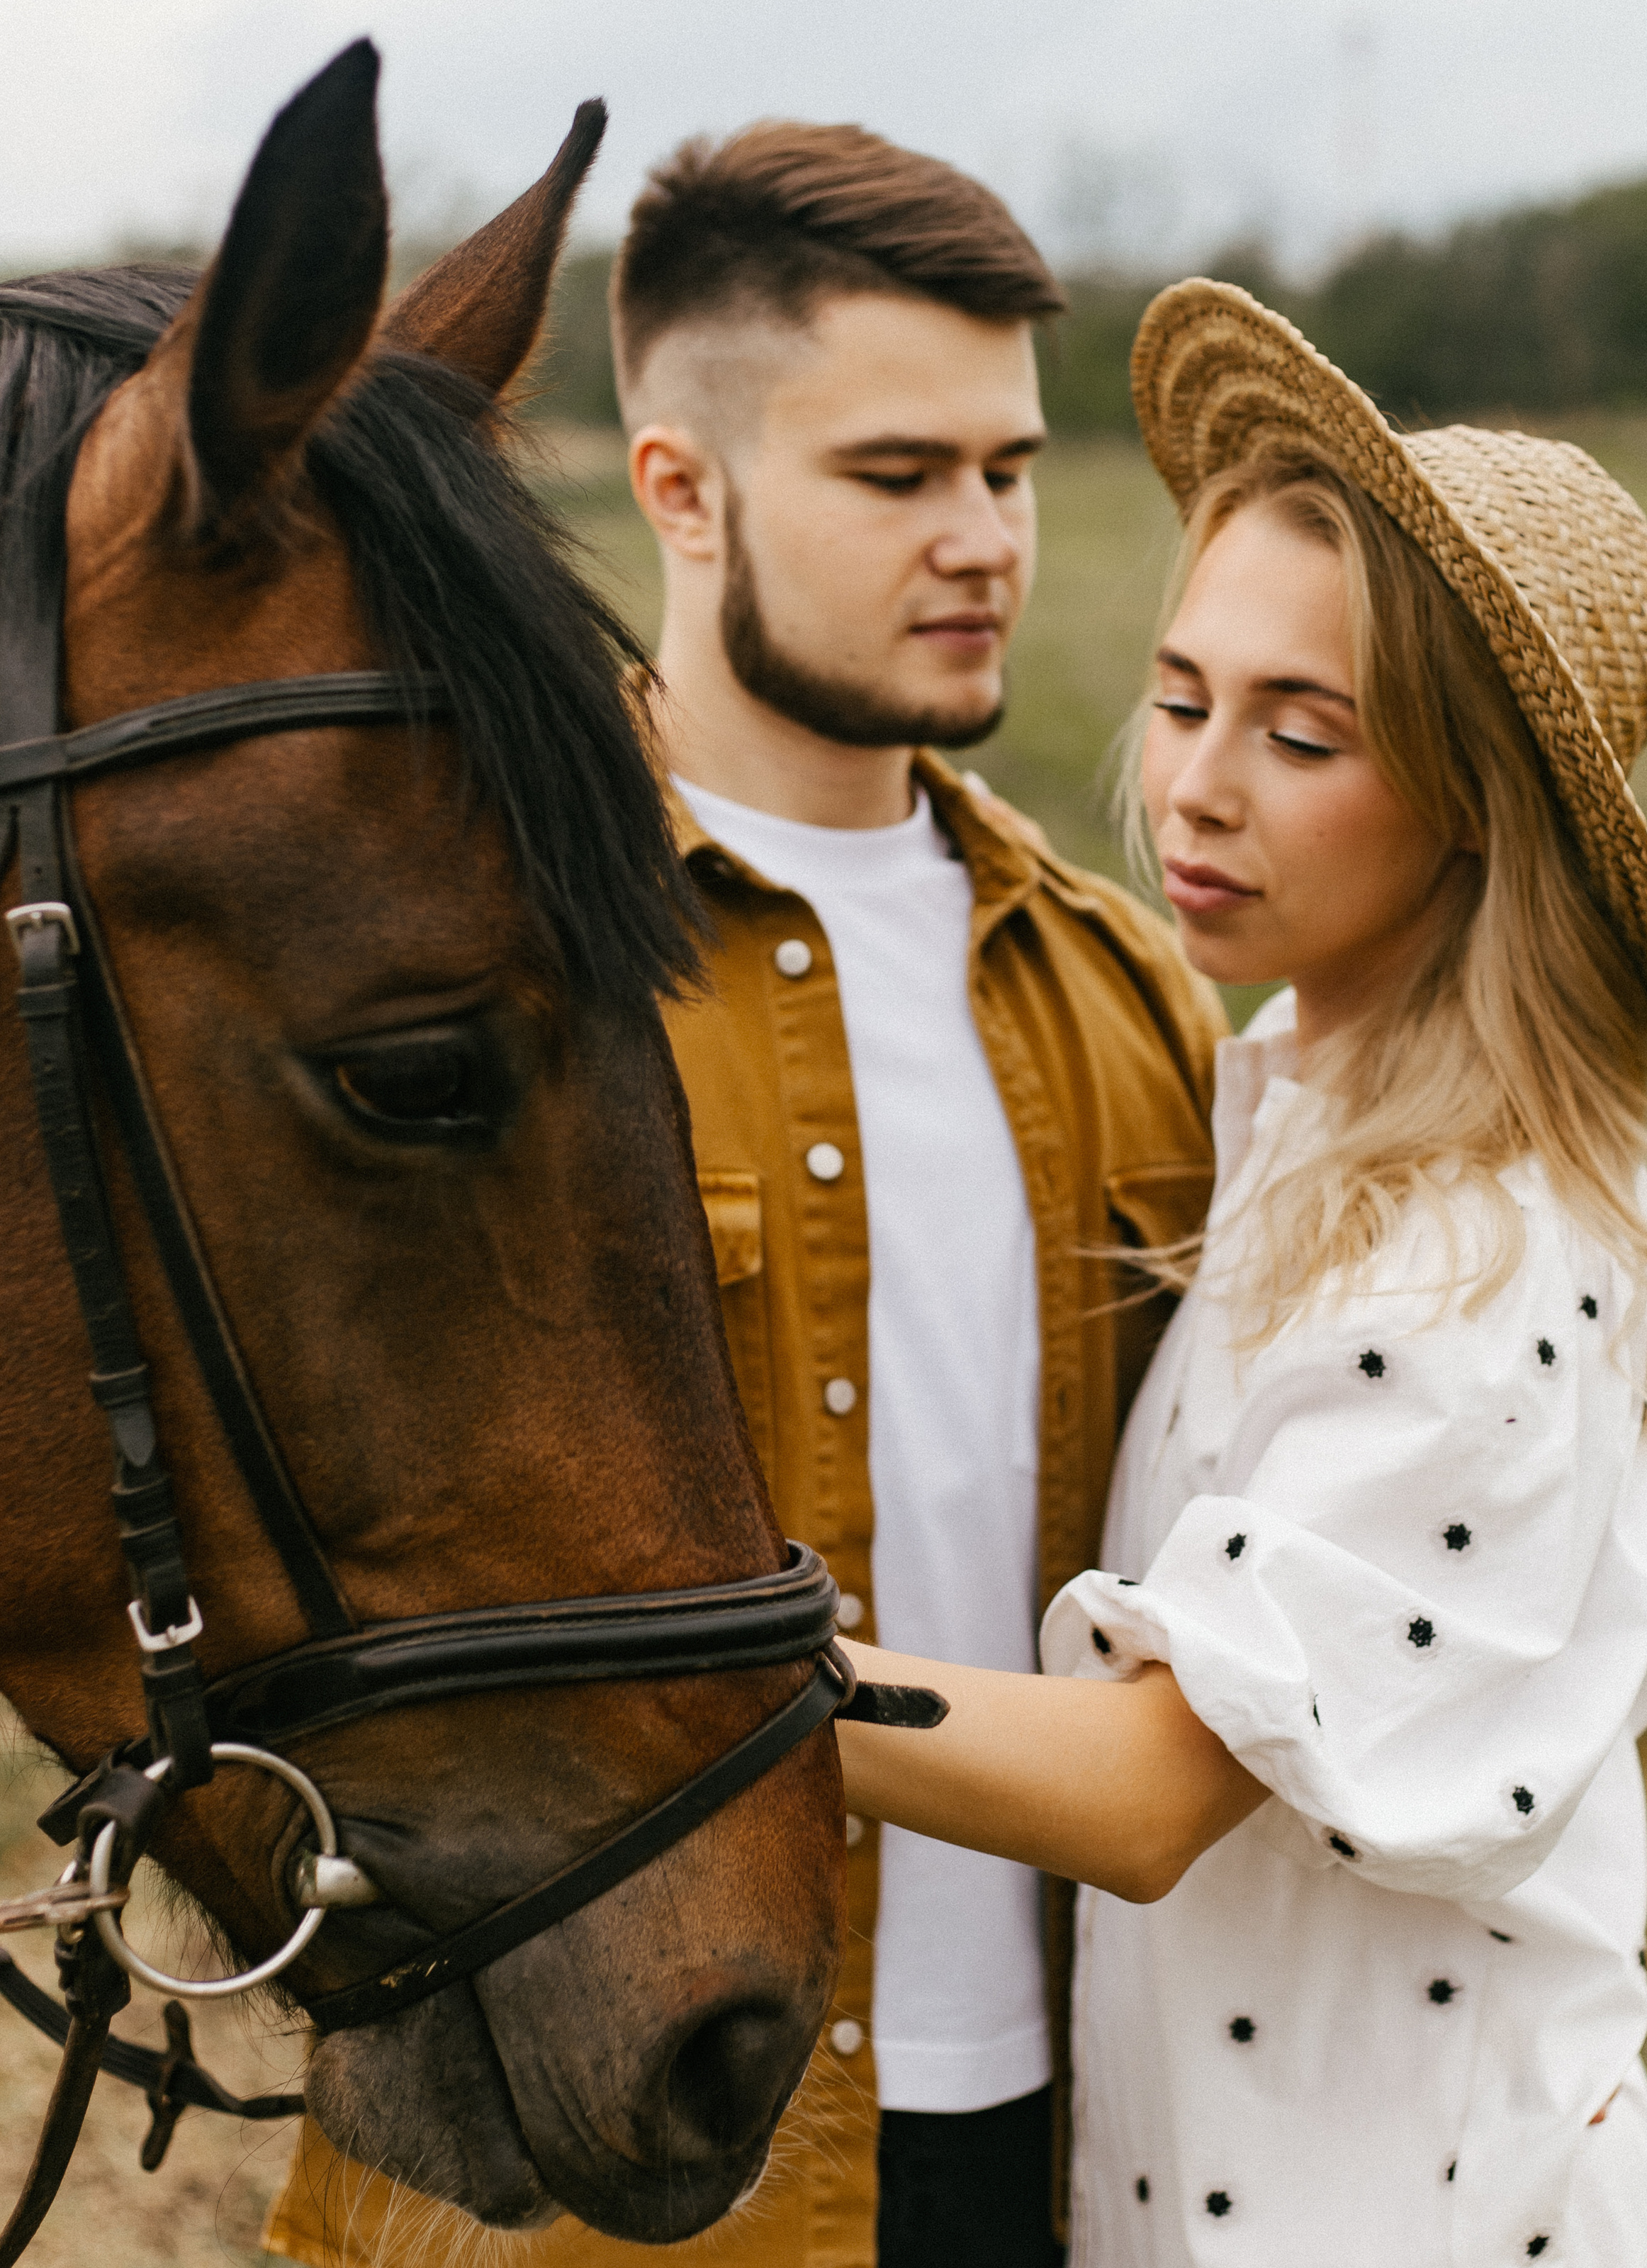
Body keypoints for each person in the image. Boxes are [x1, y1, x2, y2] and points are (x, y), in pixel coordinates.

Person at [264, 130, 1229, 2268]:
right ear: (679, 489)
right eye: (898, 478)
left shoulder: (1125, 987)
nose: (984, 540)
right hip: (593, 2168)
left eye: (1009, 467)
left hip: (1065, 2138)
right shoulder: (461, 994)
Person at [833, 281, 1647, 2265]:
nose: (1193, 788)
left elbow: (1155, 1793)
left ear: (1477, 810)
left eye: (1300, 732)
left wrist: (680, 1677)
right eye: (1181, 698)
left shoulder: (1482, 1262)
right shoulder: (1282, 1105)